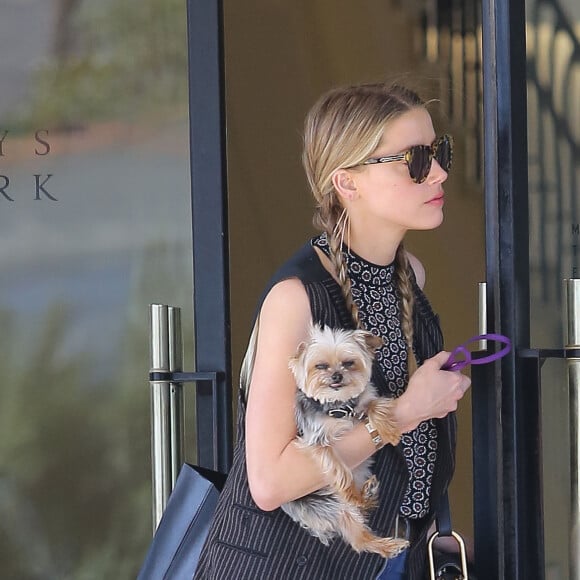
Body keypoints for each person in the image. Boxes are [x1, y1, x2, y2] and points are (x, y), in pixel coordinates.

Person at [194, 82, 471, 580]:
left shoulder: (410, 277)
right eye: (414, 159)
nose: (439, 172)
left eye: (438, 151)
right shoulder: (297, 298)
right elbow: (269, 480)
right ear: (348, 182)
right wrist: (405, 412)